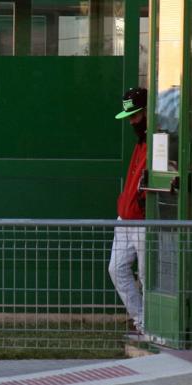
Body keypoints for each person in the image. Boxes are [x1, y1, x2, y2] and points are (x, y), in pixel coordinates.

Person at [109, 87, 148, 334]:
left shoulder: (155, 141)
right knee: (116, 269)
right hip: (127, 216)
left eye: (135, 115)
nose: (132, 121)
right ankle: (142, 320)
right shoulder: (142, 142)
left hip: (143, 220)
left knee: (147, 276)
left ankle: (149, 322)